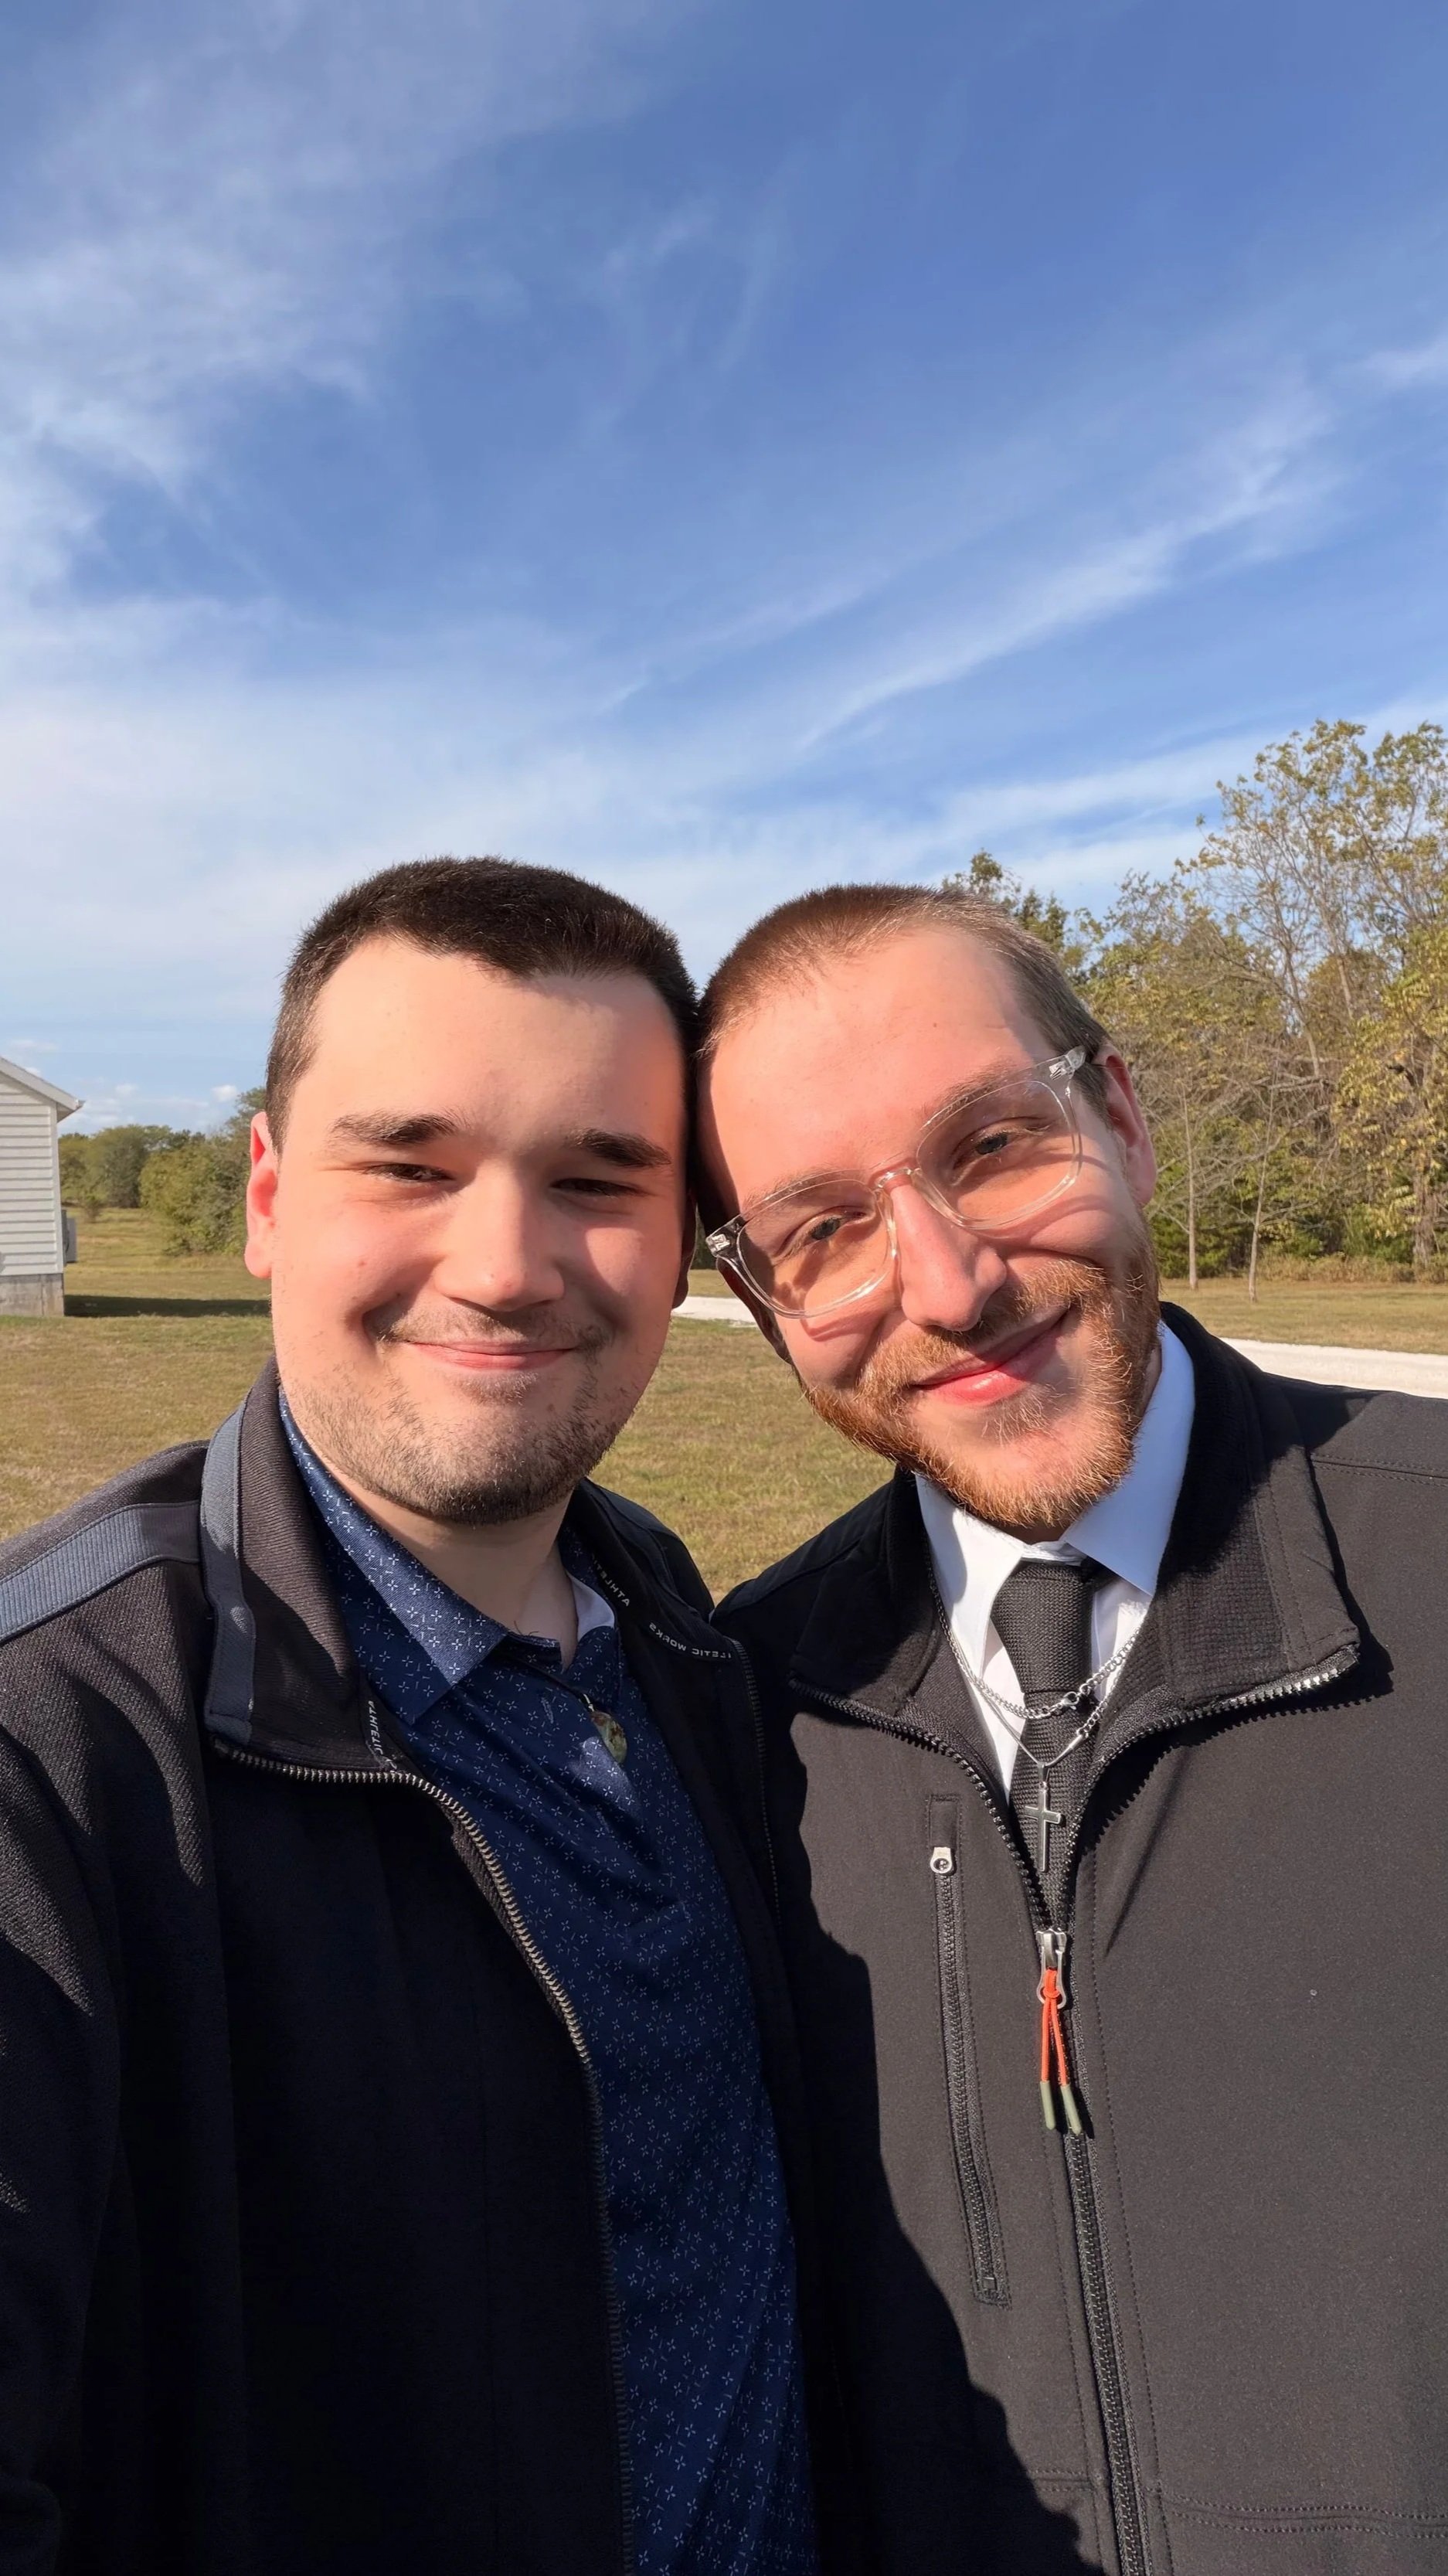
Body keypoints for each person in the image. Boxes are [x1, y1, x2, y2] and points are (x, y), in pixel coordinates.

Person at [0, 858, 824, 2576]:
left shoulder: (680, 1631)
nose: (506, 1263)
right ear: (270, 1200)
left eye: (599, 1177)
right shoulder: (50, 1744)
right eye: (412, 1164)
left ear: (684, 1241)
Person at [698, 880, 1448, 2576]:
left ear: (1119, 1114)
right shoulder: (737, 1717)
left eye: (990, 1146)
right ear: (762, 1299)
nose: (950, 1285)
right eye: (823, 1228)